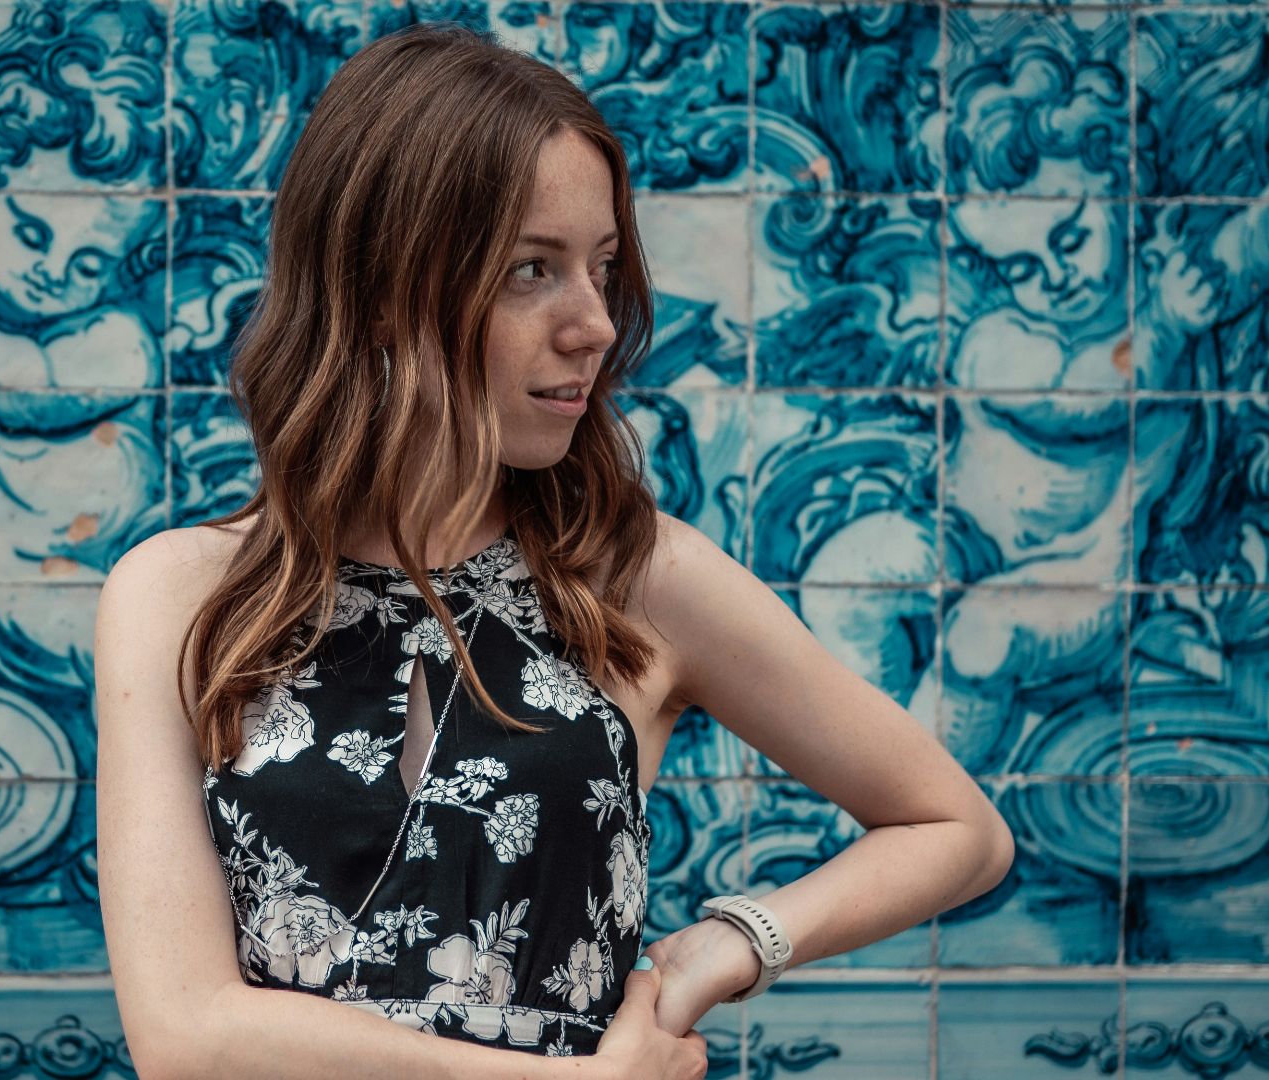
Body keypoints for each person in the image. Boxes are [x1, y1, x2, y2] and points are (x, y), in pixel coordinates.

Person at [94, 22, 1014, 1080]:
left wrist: (728, 946)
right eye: (533, 269)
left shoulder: (635, 578)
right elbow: (185, 1036)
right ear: (385, 289)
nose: (596, 325)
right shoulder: (179, 596)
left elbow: (957, 828)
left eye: (603, 268)